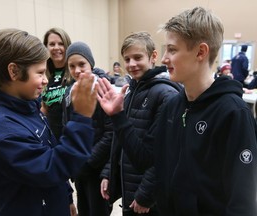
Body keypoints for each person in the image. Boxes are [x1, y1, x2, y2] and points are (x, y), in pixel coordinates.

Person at [97, 7, 257, 215]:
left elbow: (242, 202)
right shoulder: (174, 106)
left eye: (172, 50)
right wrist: (118, 116)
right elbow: (145, 160)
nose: (164, 59)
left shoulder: (233, 114)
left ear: (201, 52)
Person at [0, 28, 98, 216]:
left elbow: (50, 148)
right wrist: (81, 118)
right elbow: (51, 168)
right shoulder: (4, 131)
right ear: (14, 71)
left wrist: (66, 197)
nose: (44, 81)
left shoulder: (29, 108)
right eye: (40, 73)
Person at [99, 31, 182, 216]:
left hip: (147, 198)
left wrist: (146, 194)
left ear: (153, 56)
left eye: (137, 57)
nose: (131, 64)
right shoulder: (132, 91)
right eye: (127, 59)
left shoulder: (165, 95)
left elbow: (163, 155)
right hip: (131, 189)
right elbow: (121, 139)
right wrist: (108, 172)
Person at [64, 41, 113, 216]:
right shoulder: (70, 93)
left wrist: (88, 161)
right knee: (84, 209)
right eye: (72, 66)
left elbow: (110, 133)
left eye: (81, 64)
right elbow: (67, 128)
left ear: (90, 64)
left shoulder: (102, 90)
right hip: (79, 169)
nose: (77, 70)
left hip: (96, 169)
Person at [41, 28, 77, 216]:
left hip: (74, 139)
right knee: (61, 189)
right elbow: (43, 108)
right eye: (51, 44)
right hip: (53, 144)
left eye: (60, 43)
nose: (56, 47)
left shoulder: (74, 70)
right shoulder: (43, 75)